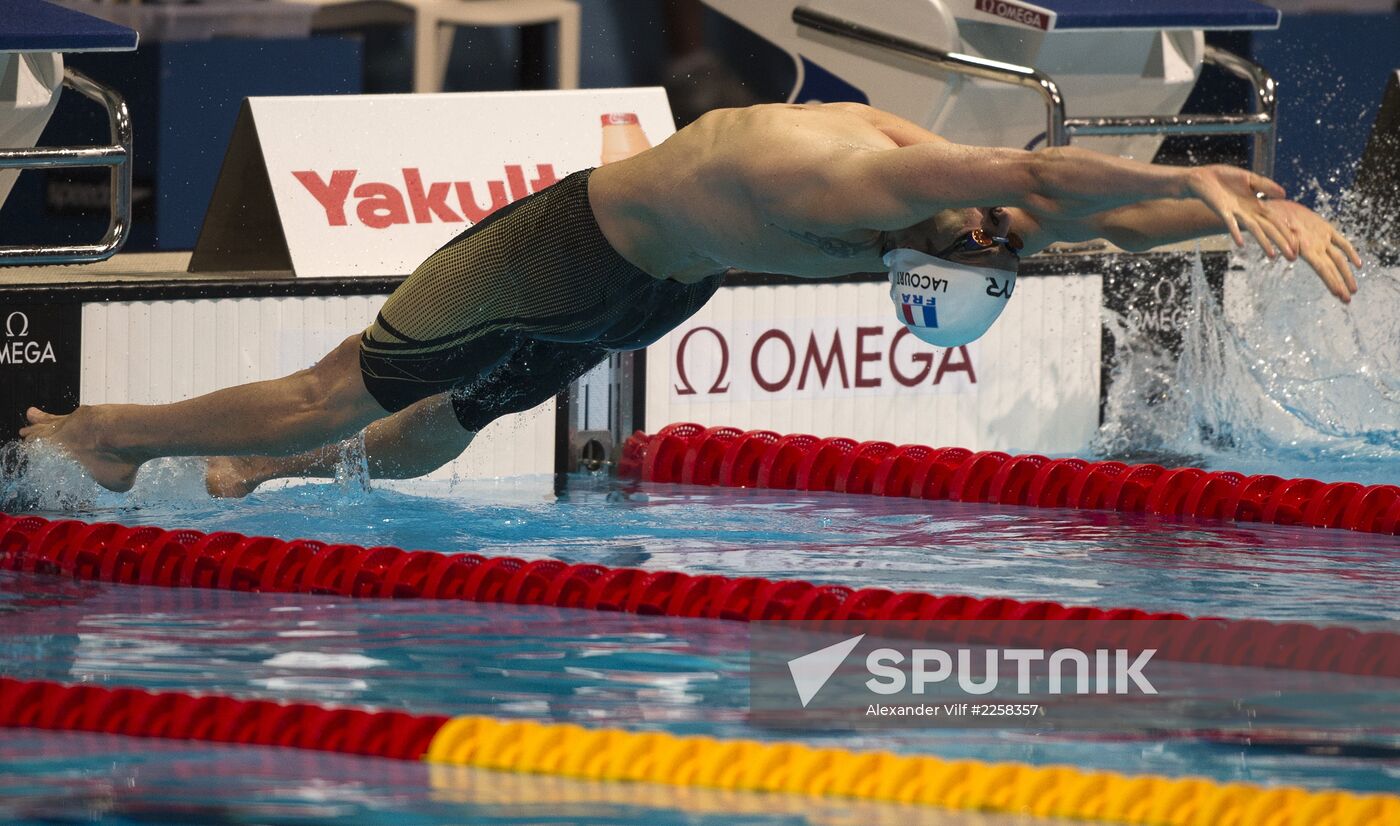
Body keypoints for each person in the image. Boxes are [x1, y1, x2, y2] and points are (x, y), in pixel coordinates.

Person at [20, 103, 1362, 496]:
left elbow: (1072, 210)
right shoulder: (855, 177)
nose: (1004, 230)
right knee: (345, 382)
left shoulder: (960, 223)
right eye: (989, 236)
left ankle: (271, 474)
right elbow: (1033, 168)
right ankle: (115, 434)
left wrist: (1232, 213)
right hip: (560, 252)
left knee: (447, 434)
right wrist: (1216, 168)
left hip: (647, 295)